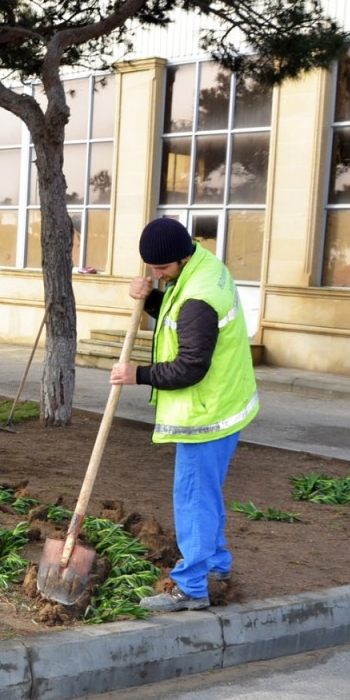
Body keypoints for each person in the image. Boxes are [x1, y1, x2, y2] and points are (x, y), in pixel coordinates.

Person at [110, 217, 259, 612]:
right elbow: (179, 318)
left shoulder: (199, 296)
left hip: (206, 414)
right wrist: (151, 299)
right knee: (206, 496)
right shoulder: (204, 266)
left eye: (161, 270)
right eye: (152, 269)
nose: (156, 275)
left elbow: (190, 364)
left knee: (194, 499)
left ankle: (192, 586)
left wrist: (136, 374)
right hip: (229, 403)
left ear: (181, 257)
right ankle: (217, 568)